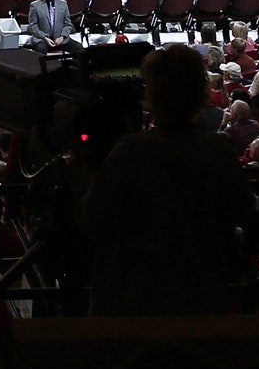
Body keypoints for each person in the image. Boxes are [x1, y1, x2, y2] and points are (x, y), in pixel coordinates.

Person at [79, 44, 249, 315]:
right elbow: (243, 214)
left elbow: (92, 221)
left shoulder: (130, 151)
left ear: (152, 95)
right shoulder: (218, 151)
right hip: (201, 298)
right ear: (201, 92)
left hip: (135, 301)